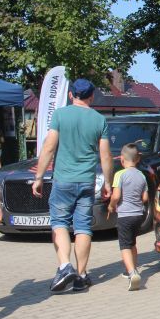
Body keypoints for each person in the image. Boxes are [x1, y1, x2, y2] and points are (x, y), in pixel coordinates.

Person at [32, 78, 113, 293]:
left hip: (63, 180)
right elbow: (105, 156)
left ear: (71, 95)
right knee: (83, 227)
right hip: (86, 181)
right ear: (91, 96)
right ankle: (81, 276)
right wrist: (108, 182)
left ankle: (65, 266)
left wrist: (39, 177)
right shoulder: (99, 120)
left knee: (59, 223)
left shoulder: (60, 115)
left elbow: (49, 147)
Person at [107, 143, 148, 291]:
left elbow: (116, 196)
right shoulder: (142, 175)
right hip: (138, 215)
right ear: (137, 159)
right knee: (132, 242)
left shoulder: (120, 174)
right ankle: (133, 268)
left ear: (122, 159)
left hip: (125, 215)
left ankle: (132, 273)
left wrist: (111, 206)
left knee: (124, 245)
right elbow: (145, 198)